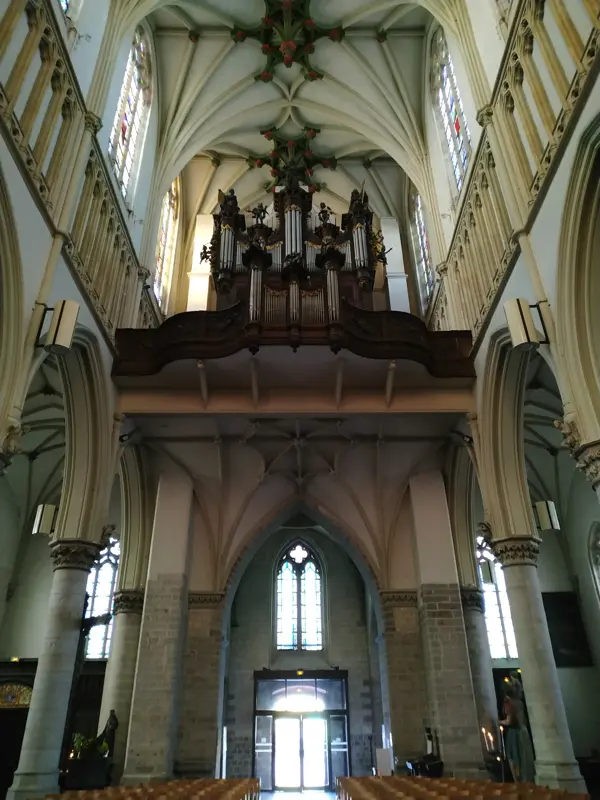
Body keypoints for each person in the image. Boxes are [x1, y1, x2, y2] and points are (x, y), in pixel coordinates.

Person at [500, 673, 535, 783]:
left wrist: (498, 722)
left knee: (515, 760)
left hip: (515, 734)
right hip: (523, 733)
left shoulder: (510, 703)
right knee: (524, 759)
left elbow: (509, 721)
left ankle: (518, 783)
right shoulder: (520, 702)